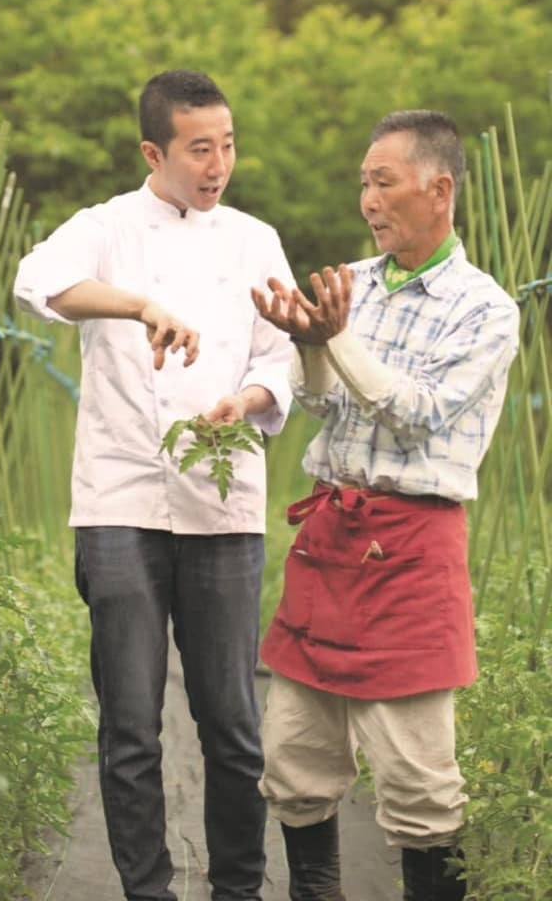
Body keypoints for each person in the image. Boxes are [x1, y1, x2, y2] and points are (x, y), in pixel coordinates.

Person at [13, 69, 295, 901]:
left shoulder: (254, 240)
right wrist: (138, 307)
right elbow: (37, 283)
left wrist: (247, 399)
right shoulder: (104, 229)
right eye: (199, 149)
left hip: (223, 504)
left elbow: (281, 355)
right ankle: (148, 892)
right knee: (131, 726)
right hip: (121, 500)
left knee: (233, 724)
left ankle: (239, 889)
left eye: (228, 145)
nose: (219, 165)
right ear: (153, 152)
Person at [251, 109, 520, 901]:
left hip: (411, 549)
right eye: (363, 183)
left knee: (416, 781)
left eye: (384, 182)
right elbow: (318, 403)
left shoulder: (485, 309)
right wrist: (309, 344)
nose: (368, 200)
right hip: (329, 537)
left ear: (439, 190)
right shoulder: (354, 285)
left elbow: (418, 413)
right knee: (293, 759)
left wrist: (336, 338)